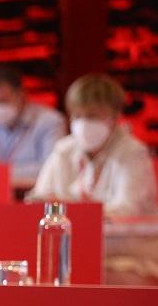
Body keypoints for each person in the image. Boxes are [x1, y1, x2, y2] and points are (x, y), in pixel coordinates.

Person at [29, 73, 158, 218]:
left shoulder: (133, 152)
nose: (83, 123)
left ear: (114, 117)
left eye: (92, 116)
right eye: (77, 116)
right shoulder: (63, 150)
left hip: (123, 240)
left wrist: (68, 209)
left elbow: (127, 210)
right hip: (69, 236)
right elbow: (38, 200)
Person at [0, 65, 66, 192]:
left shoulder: (49, 121)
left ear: (22, 95)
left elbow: (51, 170)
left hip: (30, 197)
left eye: (3, 101)